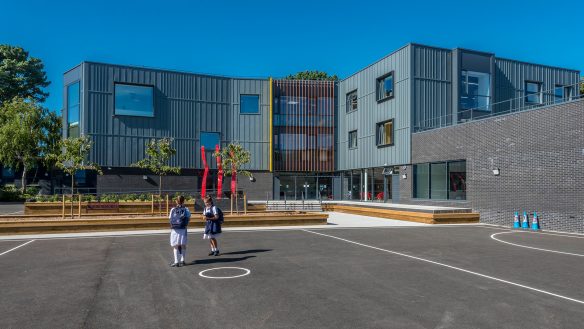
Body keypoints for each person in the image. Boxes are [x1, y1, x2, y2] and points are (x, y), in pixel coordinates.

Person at [169, 195, 191, 267]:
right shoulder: (186, 209)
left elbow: (170, 219)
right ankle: (182, 260)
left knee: (175, 246)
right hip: (183, 228)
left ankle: (176, 261)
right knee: (183, 245)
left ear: (176, 201)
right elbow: (188, 218)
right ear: (183, 201)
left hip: (175, 229)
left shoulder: (173, 209)